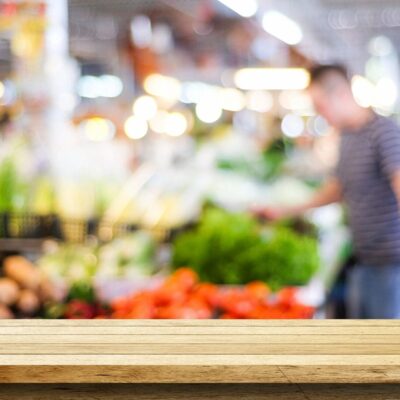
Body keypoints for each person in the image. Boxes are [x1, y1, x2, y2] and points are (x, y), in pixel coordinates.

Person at [255, 64, 400, 318]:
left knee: (386, 347)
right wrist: (285, 211)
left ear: (342, 94)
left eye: (320, 106)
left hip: (391, 264)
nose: (320, 114)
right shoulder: (347, 136)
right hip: (365, 259)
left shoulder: (383, 132)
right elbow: (337, 190)